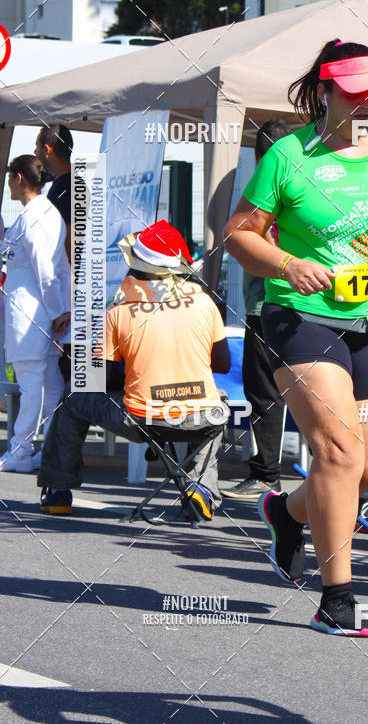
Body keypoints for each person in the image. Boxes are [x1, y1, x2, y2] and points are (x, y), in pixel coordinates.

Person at [224, 39, 368, 637]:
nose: (366, 99)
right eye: (353, 88)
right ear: (325, 89)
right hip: (304, 317)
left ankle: (286, 513)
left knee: (365, 468)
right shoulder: (288, 155)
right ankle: (336, 596)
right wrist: (287, 265)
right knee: (336, 454)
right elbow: (239, 234)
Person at [38, 221, 230, 516]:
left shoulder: (118, 312)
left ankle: (58, 491)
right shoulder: (205, 303)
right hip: (200, 417)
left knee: (74, 395)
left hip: (144, 420)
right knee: (219, 403)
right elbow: (222, 364)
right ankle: (201, 487)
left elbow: (101, 378)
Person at [222, 120, 291, 499]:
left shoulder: (266, 190)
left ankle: (266, 473)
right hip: (307, 307)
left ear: (257, 155)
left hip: (267, 306)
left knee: (263, 391)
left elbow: (254, 245)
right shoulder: (303, 185)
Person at [0, 156, 70, 473]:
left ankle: (20, 450)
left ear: (18, 178)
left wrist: (58, 311)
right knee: (50, 386)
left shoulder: (34, 217)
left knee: (32, 385)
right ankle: (50, 449)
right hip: (38, 313)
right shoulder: (39, 213)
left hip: (32, 316)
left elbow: (46, 270)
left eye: (9, 179)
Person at [35, 123, 74, 383]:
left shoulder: (64, 187)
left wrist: (65, 299)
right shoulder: (68, 184)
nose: (36, 154)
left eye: (37, 148)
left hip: (69, 293)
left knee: (62, 374)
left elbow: (69, 241)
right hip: (73, 291)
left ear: (47, 149)